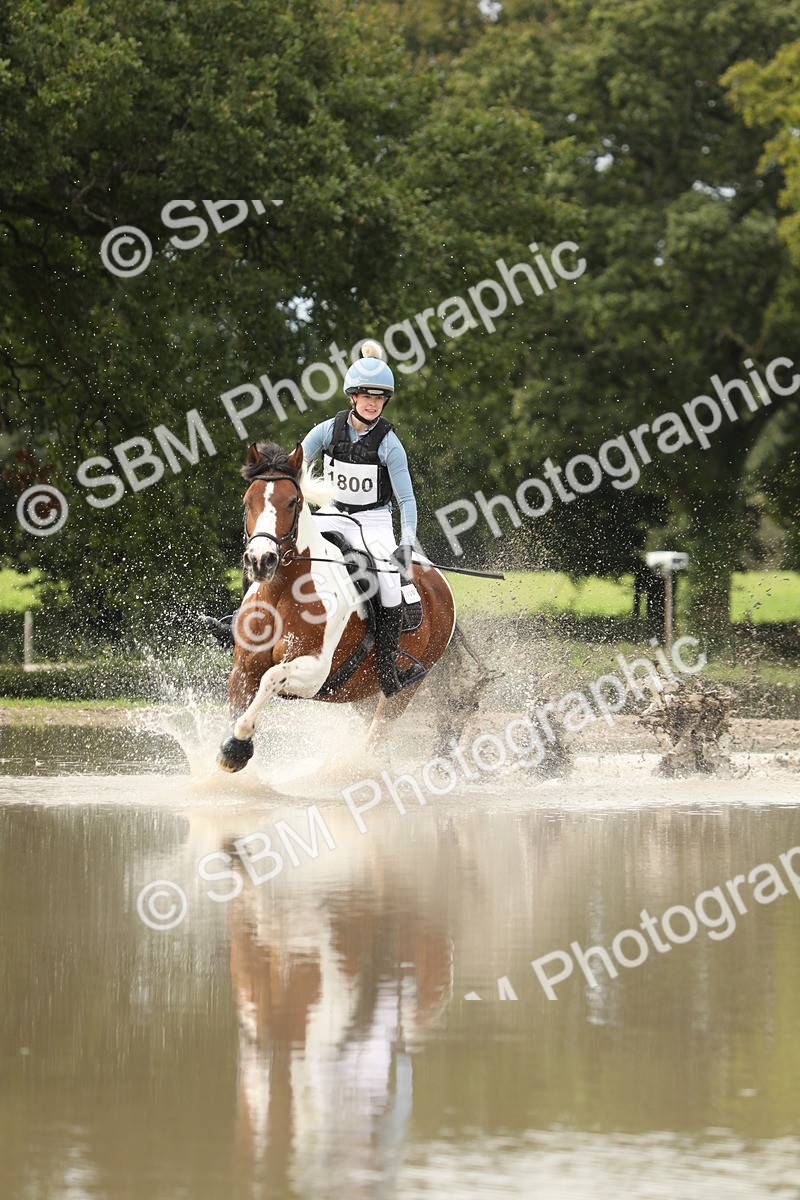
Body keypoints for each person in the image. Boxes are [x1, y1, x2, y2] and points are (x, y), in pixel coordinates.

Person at [200, 341, 424, 696]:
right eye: (365, 395)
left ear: (385, 401)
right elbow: (294, 470)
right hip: (331, 514)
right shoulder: (326, 431)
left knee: (390, 583)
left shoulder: (390, 445)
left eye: (379, 398)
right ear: (352, 397)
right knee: (270, 549)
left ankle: (387, 667)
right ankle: (237, 625)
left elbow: (407, 499)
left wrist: (407, 544)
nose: (371, 402)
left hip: (373, 522)